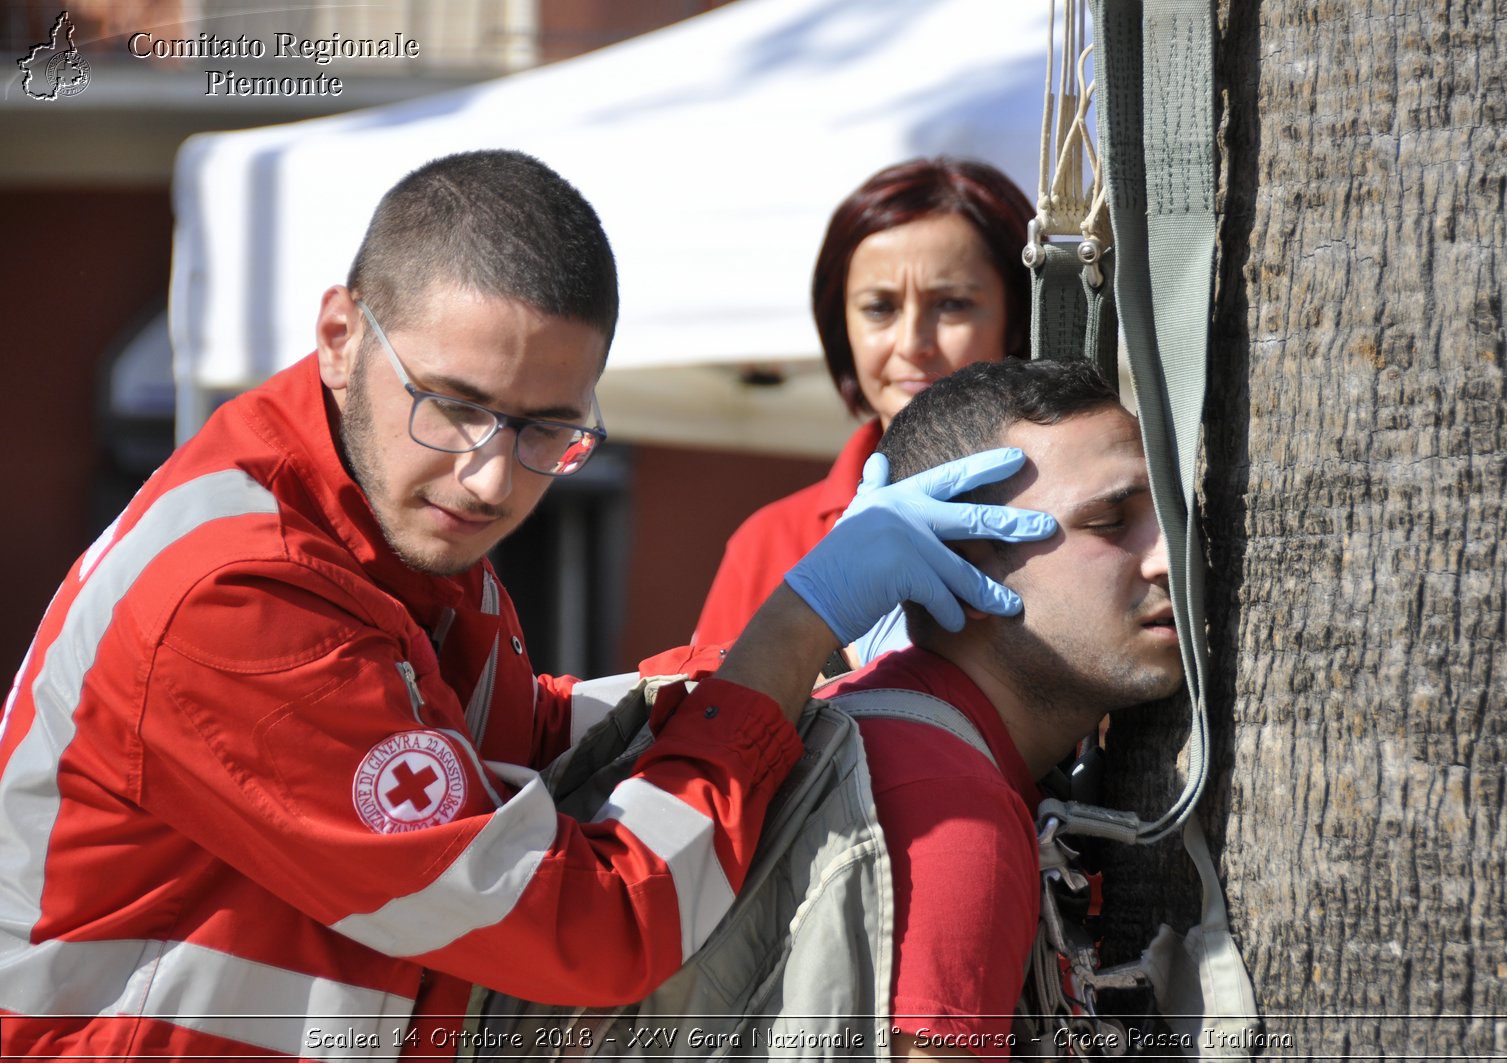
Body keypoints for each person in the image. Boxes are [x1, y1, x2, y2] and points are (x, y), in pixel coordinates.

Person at [0, 150, 1057, 1062]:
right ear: (336, 333)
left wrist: (750, 670)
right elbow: (589, 928)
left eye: (547, 429)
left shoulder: (376, 504)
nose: (491, 479)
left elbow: (528, 735)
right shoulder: (241, 596)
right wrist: (790, 635)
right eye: (452, 405)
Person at [820, 357, 1184, 1060]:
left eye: (1166, 516)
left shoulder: (878, 722)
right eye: (1111, 520)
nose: (1167, 556)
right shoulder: (956, 817)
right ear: (960, 557)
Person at [692, 157, 1033, 651]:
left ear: (1018, 317)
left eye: (952, 303)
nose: (913, 343)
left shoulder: (1093, 507)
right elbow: (715, 717)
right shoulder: (768, 541)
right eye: (880, 308)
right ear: (841, 326)